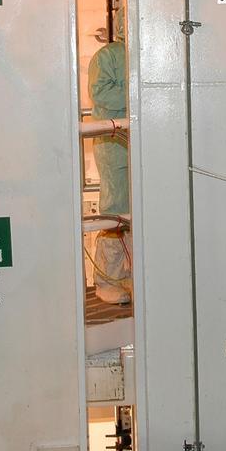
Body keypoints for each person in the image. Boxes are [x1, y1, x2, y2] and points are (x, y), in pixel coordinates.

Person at [88, 38, 131, 304]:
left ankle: (128, 274)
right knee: (116, 209)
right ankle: (107, 279)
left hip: (139, 143)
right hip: (113, 144)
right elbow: (100, 92)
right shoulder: (108, 55)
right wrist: (136, 91)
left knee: (139, 210)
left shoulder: (148, 49)